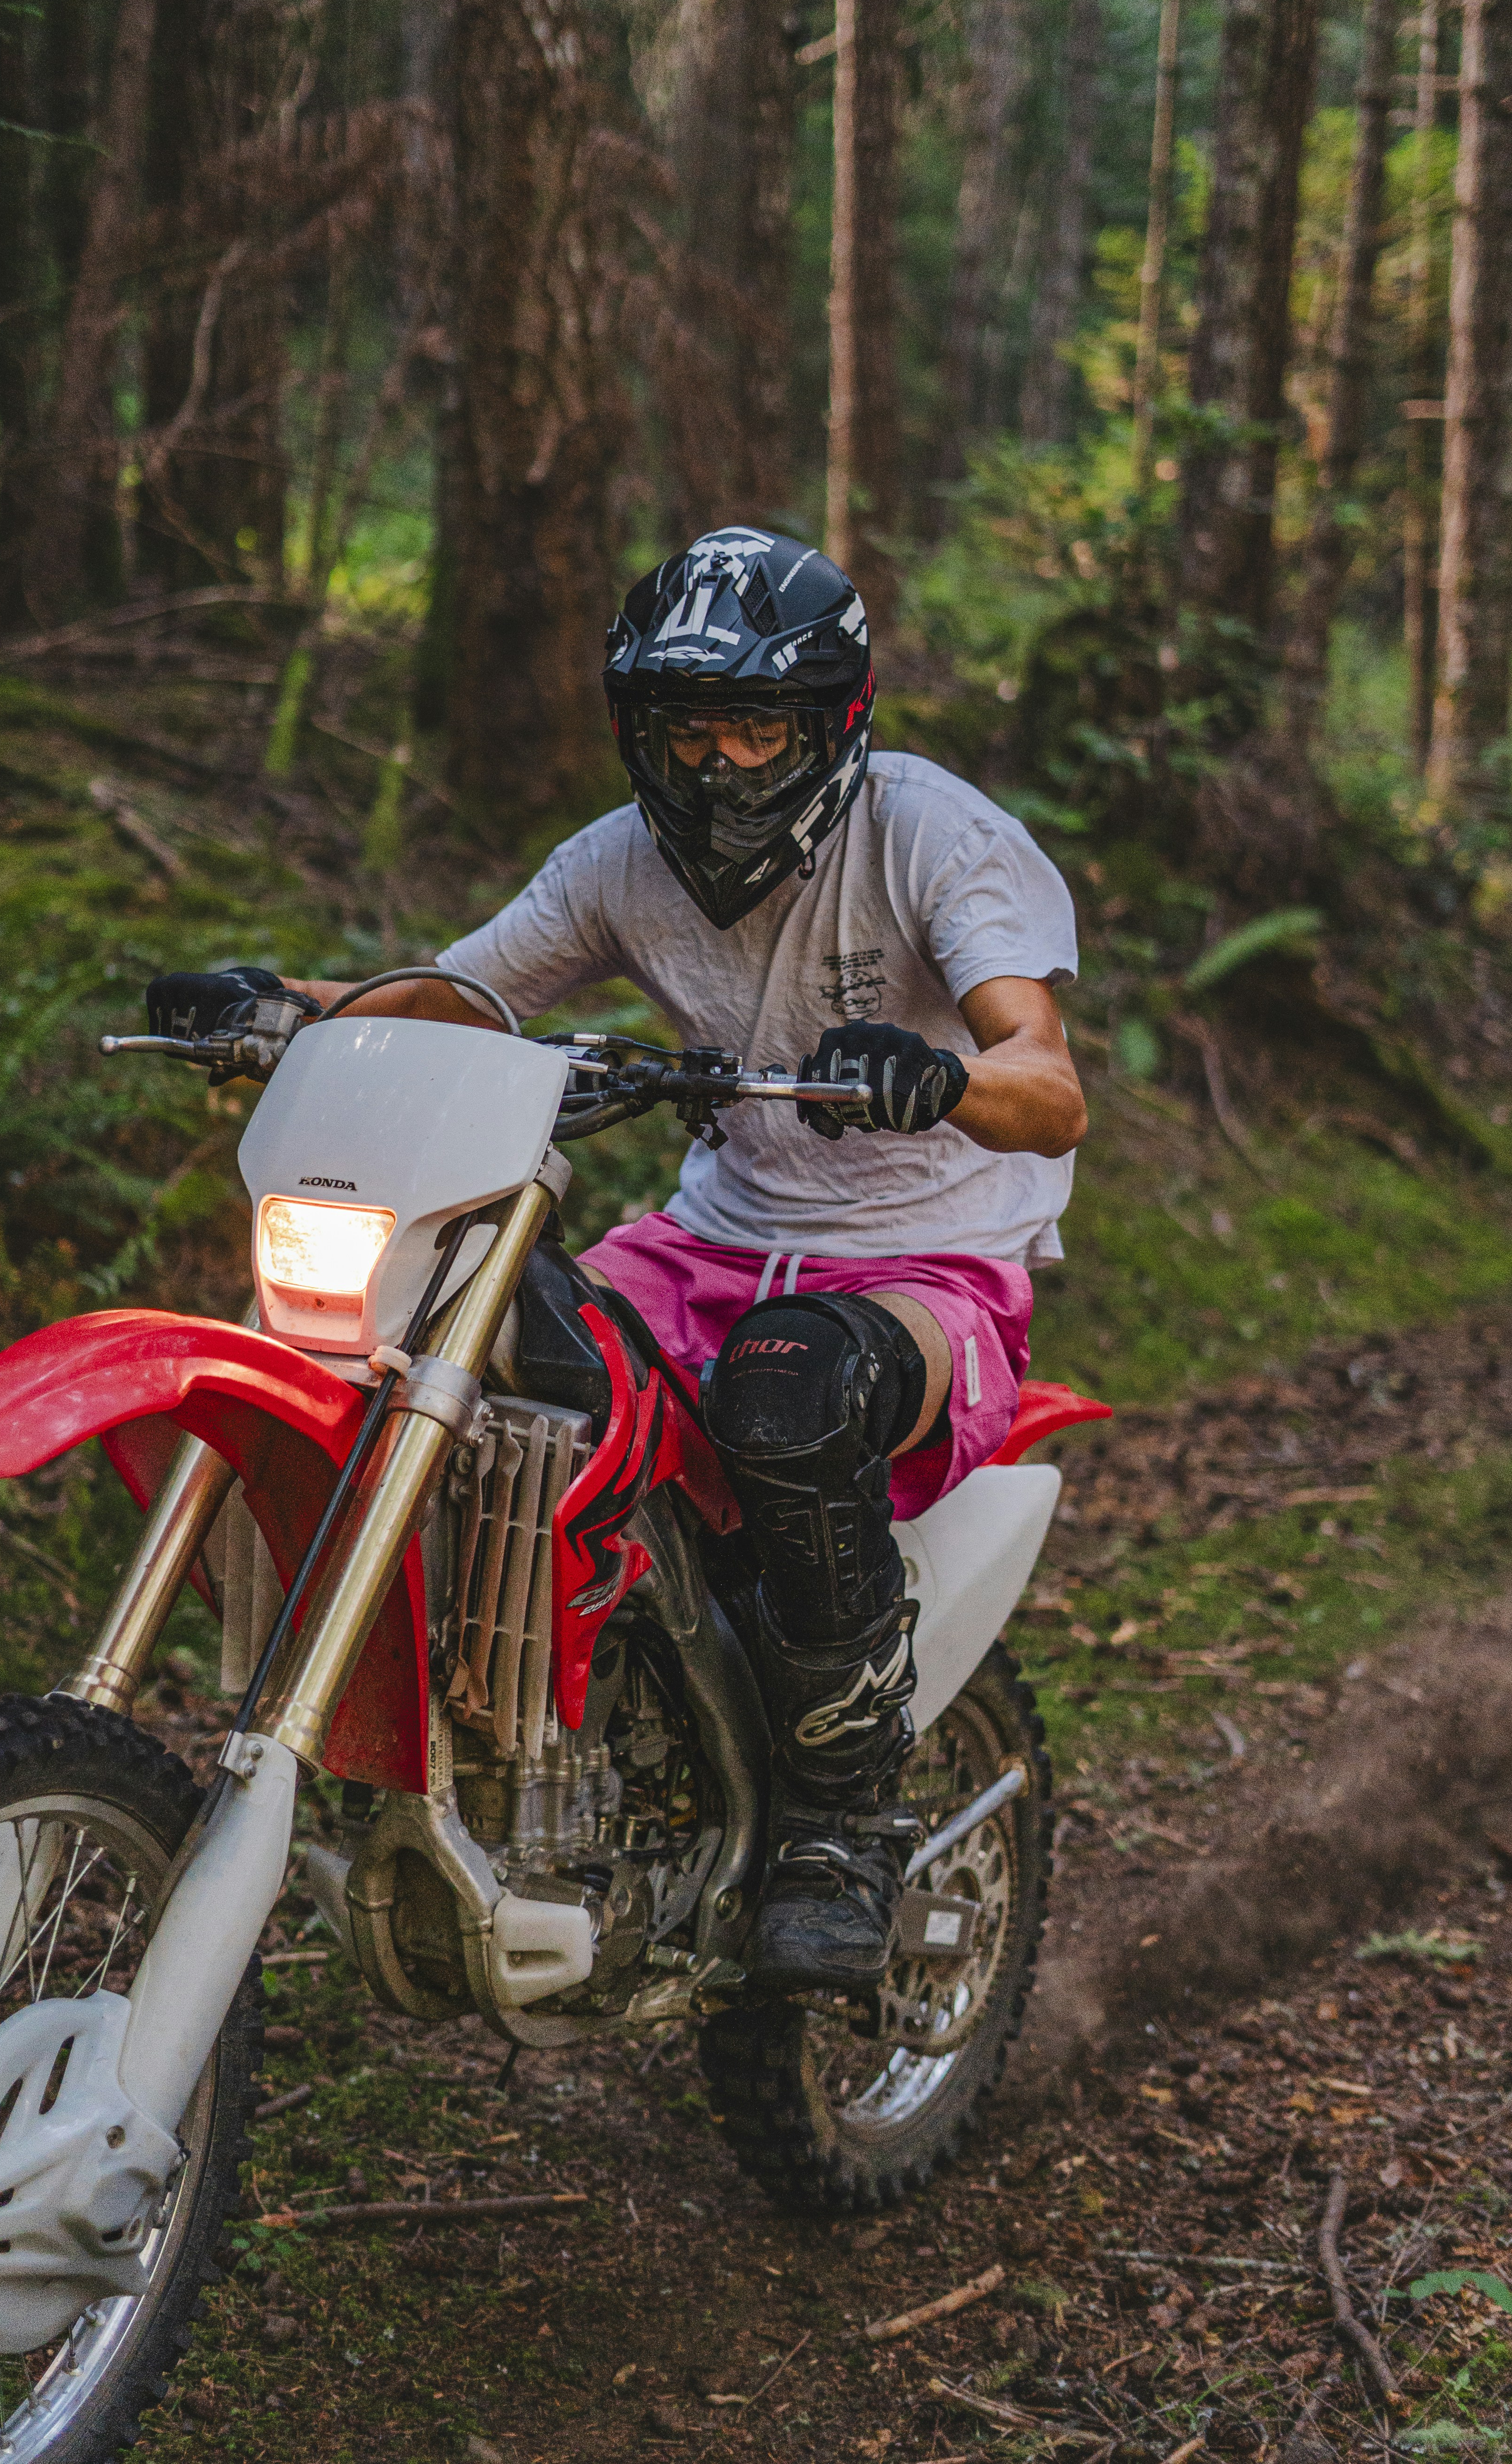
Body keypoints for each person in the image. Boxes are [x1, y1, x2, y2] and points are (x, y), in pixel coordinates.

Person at [148, 525, 1086, 1998]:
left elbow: (1047, 1078)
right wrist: (281, 1006)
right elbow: (453, 996)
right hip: (713, 1239)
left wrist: (938, 1072)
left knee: (783, 1397)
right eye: (680, 727)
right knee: (478, 1320)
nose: (713, 763)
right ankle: (565, 1699)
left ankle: (840, 1819)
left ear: (829, 721)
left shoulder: (931, 836)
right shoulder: (618, 862)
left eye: (750, 723)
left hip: (926, 1261)